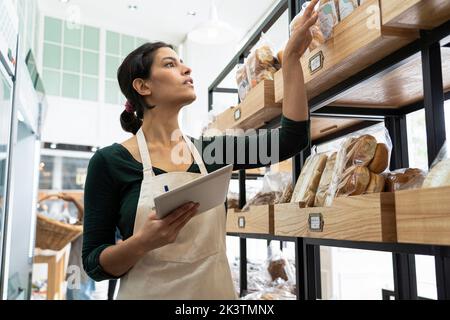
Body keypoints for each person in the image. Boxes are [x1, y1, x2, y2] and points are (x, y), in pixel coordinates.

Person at [82, 1, 319, 300]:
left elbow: (291, 139)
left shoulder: (210, 152)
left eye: (181, 62)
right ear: (143, 87)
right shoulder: (109, 162)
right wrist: (141, 243)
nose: (186, 68)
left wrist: (293, 59)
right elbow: (93, 263)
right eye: (170, 64)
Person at [58, 193, 96, 300]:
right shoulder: (80, 224)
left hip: (81, 270)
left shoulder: (92, 222)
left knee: (78, 296)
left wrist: (73, 199)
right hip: (75, 268)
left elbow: (86, 214)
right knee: (71, 296)